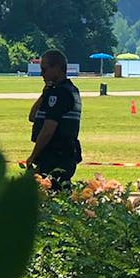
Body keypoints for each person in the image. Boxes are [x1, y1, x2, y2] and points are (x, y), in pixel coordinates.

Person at [26, 50, 82, 189]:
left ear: (56, 68)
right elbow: (32, 116)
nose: (42, 74)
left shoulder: (60, 94)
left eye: (44, 69)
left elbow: (48, 129)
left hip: (55, 156)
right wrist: (45, 93)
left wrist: (33, 155)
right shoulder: (62, 91)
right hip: (61, 155)